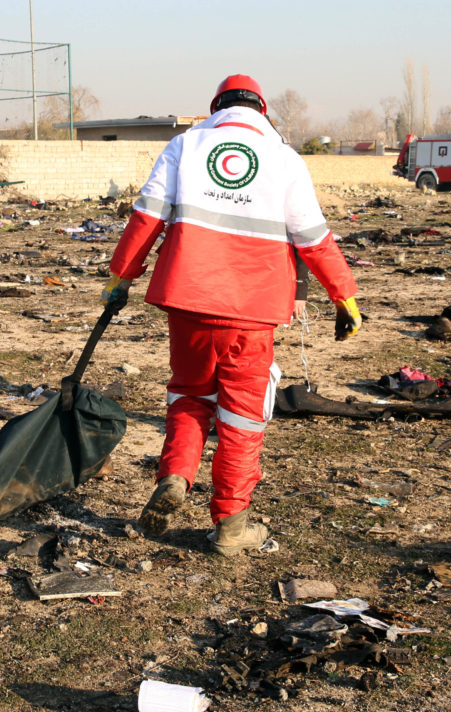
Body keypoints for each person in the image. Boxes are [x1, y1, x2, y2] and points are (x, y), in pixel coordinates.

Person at [104, 74, 360, 556]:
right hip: (253, 311)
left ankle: (177, 477)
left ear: (216, 107)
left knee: (189, 395)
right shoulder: (284, 158)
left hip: (189, 302)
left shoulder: (186, 145)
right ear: (262, 110)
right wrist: (344, 296)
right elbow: (312, 236)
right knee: (242, 417)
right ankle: (231, 525)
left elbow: (147, 215)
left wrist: (122, 275)